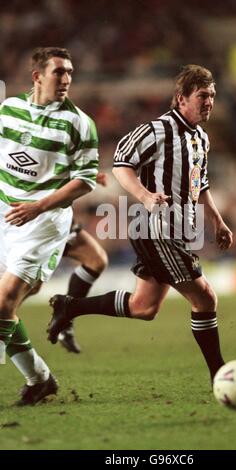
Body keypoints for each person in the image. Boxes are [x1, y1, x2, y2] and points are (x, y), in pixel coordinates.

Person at [47, 64, 233, 383]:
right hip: (156, 229)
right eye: (202, 95)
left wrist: (217, 220)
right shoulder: (156, 130)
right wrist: (146, 196)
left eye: (212, 96)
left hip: (179, 232)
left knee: (144, 307)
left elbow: (199, 184)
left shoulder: (201, 138)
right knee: (205, 299)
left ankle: (70, 306)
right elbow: (121, 164)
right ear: (181, 98)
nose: (209, 102)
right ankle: (221, 375)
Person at [0, 47, 99, 405]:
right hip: (4, 216)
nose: (67, 78)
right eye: (59, 72)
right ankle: (40, 379)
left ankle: (38, 378)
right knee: (3, 309)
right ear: (37, 76)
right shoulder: (8, 110)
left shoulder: (79, 123)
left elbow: (85, 181)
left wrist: (37, 206)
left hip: (43, 223)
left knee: (3, 303)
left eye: (70, 72)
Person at [26, 173, 108, 354]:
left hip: (55, 215)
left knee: (95, 260)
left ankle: (65, 320)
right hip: (37, 218)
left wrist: (87, 175)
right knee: (28, 286)